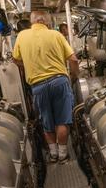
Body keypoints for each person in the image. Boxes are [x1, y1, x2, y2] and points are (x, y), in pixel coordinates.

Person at [13, 11, 80, 164]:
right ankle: (64, 155)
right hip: (59, 81)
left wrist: (30, 65)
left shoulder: (22, 36)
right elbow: (74, 59)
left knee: (47, 121)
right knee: (62, 120)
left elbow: (15, 60)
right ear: (47, 22)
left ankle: (53, 154)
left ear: (32, 22)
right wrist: (75, 76)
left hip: (38, 86)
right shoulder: (56, 35)